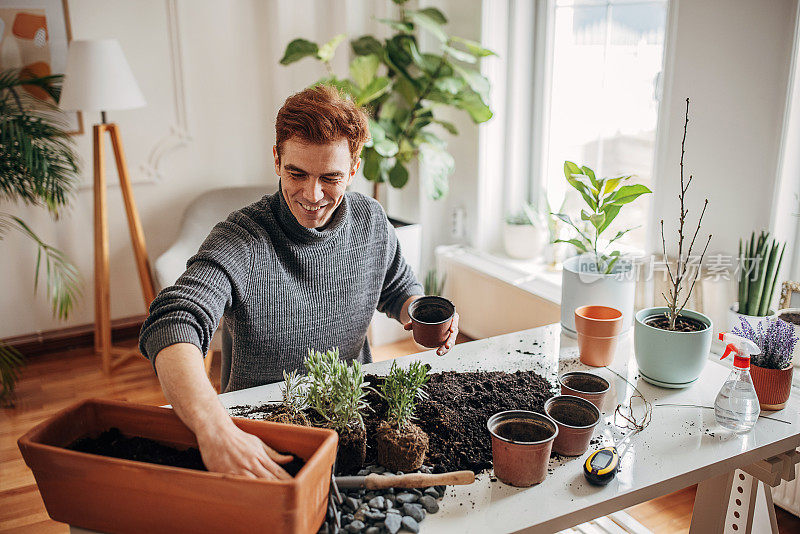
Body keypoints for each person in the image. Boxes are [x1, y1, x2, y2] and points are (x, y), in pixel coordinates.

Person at [139, 85, 459, 480]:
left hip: (350, 421)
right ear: (276, 160)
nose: (313, 194)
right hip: (263, 434)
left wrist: (422, 311)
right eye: (297, 173)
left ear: (354, 168)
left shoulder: (371, 221)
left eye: (331, 177)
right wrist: (213, 427)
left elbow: (398, 289)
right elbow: (173, 322)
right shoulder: (241, 239)